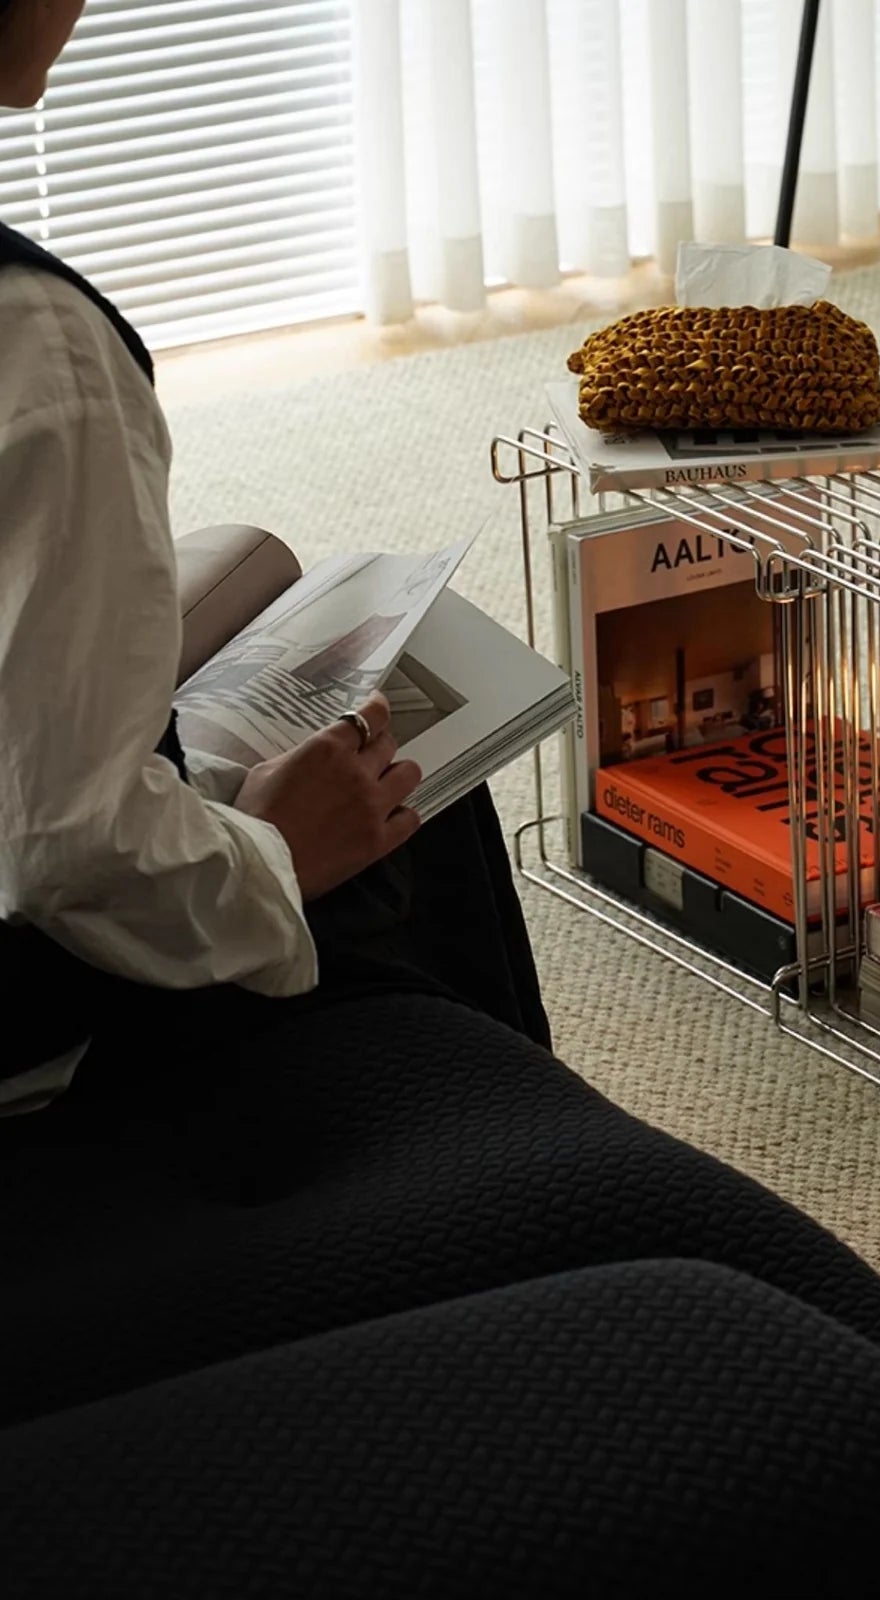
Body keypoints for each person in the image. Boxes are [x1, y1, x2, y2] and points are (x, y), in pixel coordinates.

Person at [0, 0, 548, 1113]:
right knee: (405, 800)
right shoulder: (38, 347)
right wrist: (275, 853)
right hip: (29, 1009)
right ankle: (523, 1165)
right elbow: (66, 846)